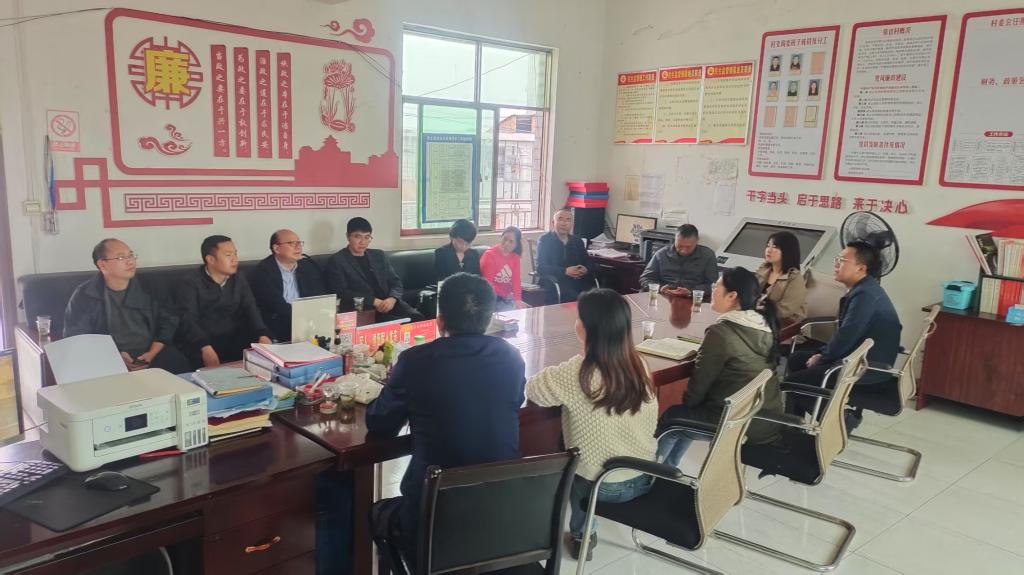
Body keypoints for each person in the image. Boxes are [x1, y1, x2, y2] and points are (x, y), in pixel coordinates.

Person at [367, 273, 526, 569]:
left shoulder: (415, 361)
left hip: (433, 520)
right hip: (499, 516)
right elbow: (512, 403)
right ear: (489, 319)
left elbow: (379, 424)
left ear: (439, 321)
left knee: (378, 514)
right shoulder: (511, 357)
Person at [526, 288, 657, 561]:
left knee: (576, 464)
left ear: (585, 328)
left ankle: (582, 535)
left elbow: (534, 389)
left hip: (603, 487)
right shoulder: (639, 363)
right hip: (645, 475)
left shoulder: (579, 372)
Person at [656, 267, 785, 467]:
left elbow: (699, 384)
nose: (712, 290)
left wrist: (690, 406)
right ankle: (669, 469)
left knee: (673, 418)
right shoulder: (762, 324)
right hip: (763, 418)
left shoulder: (721, 332)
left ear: (732, 295)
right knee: (687, 415)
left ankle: (652, 473)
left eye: (717, 286)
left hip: (738, 423)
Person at [786, 242, 902, 426]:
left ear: (861, 268)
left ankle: (839, 423)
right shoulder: (865, 289)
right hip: (859, 359)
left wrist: (822, 357)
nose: (836, 264)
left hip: (865, 368)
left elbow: (847, 335)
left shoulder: (865, 295)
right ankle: (794, 423)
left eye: (842, 260)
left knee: (793, 384)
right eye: (837, 259)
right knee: (796, 360)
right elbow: (846, 334)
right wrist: (822, 354)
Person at [64, 238, 191, 374]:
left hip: (153, 351)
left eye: (131, 255)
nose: (130, 261)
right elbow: (77, 336)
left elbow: (168, 320)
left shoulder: (150, 286)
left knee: (178, 363)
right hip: (107, 356)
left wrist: (152, 352)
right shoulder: (85, 294)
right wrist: (114, 355)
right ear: (102, 265)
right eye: (121, 257)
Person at [176, 235, 272, 368]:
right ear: (210, 259)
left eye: (235, 254)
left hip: (232, 337)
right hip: (203, 340)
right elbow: (188, 319)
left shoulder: (239, 278)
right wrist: (204, 346)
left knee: (264, 352)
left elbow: (250, 307)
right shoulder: (190, 282)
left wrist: (262, 334)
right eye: (228, 255)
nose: (235, 259)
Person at [325, 217, 425, 322]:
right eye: (358, 237)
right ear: (348, 236)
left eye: (367, 237)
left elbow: (396, 282)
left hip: (390, 303)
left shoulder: (379, 255)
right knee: (396, 325)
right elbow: (341, 292)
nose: (363, 242)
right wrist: (373, 301)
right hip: (363, 308)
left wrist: (393, 298)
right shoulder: (337, 261)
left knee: (418, 319)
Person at [248, 229, 328, 342]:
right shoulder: (263, 272)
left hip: (307, 324)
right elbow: (277, 306)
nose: (298, 247)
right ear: (277, 248)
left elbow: (319, 297)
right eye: (291, 243)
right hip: (277, 327)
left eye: (299, 243)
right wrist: (305, 316)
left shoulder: (308, 267)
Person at [535, 208, 597, 303]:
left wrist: (586, 269)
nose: (564, 223)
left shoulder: (577, 241)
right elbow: (540, 267)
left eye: (568, 220)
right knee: (575, 296)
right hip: (555, 282)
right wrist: (565, 271)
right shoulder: (545, 240)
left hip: (577, 281)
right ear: (553, 222)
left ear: (572, 224)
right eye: (560, 219)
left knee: (597, 296)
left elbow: (590, 263)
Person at [639, 224, 718, 298]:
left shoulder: (708, 255)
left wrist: (691, 292)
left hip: (692, 298)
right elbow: (646, 278)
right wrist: (660, 288)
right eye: (679, 246)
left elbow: (713, 285)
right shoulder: (662, 254)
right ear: (675, 240)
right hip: (663, 296)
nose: (683, 250)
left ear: (697, 241)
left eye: (688, 247)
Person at [755, 231, 808, 324]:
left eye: (775, 247)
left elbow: (785, 309)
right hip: (759, 317)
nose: (768, 250)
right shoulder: (764, 268)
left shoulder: (794, 277)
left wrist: (756, 312)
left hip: (782, 322)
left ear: (787, 251)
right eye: (768, 245)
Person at [480, 226, 527, 311]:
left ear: (516, 245)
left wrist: (518, 299)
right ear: (501, 237)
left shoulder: (515, 257)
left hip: (506, 296)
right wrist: (505, 295)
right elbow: (488, 284)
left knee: (526, 309)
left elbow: (516, 280)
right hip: (492, 297)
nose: (506, 243)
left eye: (511, 241)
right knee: (509, 310)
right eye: (504, 239)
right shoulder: (489, 255)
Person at [434, 219, 481, 283]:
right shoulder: (441, 253)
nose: (463, 246)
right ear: (452, 237)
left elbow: (478, 279)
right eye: (460, 242)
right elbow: (442, 280)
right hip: (449, 288)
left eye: (468, 243)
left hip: (470, 288)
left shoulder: (474, 254)